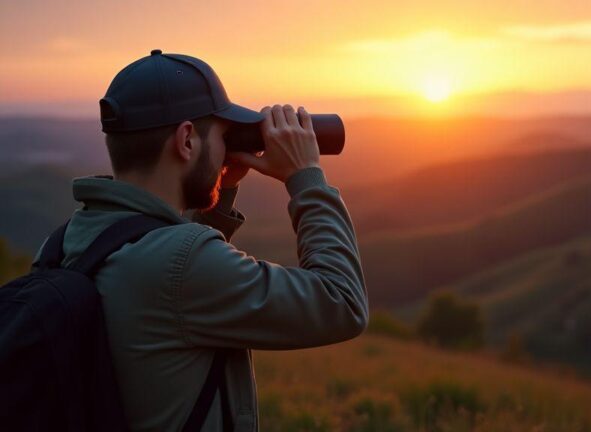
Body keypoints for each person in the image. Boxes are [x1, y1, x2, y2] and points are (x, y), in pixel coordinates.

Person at [31, 50, 368, 431]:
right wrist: (306, 177)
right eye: (223, 135)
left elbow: (170, 283)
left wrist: (218, 188)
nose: (227, 148)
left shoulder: (65, 243)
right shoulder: (181, 264)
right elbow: (342, 303)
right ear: (187, 140)